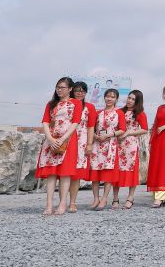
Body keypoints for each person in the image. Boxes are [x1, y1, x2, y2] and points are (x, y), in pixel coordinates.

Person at [37, 77, 83, 215]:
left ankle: (62, 204)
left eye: (62, 87)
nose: (59, 90)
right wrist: (50, 138)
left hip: (68, 140)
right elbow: (45, 122)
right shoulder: (51, 104)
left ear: (70, 89)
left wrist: (63, 138)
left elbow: (75, 122)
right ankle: (49, 205)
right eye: (58, 87)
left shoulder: (76, 103)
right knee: (51, 173)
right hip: (51, 140)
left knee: (65, 173)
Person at [89, 88, 125, 210]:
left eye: (112, 97)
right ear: (104, 97)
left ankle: (104, 199)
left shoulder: (119, 113)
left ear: (116, 99)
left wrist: (109, 135)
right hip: (97, 144)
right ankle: (95, 199)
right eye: (107, 96)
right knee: (95, 171)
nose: (109, 99)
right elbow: (91, 128)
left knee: (108, 172)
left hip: (110, 145)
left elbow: (122, 129)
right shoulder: (98, 113)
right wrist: (95, 136)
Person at [113, 89, 148, 209]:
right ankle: (115, 198)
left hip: (131, 144)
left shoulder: (139, 113)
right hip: (118, 143)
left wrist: (129, 133)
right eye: (129, 98)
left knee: (131, 170)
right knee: (116, 170)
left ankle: (130, 197)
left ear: (137, 101)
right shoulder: (119, 111)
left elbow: (144, 129)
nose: (130, 100)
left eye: (133, 99)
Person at [69, 81, 97, 212]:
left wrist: (90, 144)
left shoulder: (90, 107)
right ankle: (62, 200)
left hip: (81, 141)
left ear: (86, 93)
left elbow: (91, 127)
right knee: (63, 172)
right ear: (72, 91)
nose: (80, 93)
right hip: (66, 139)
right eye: (77, 90)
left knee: (76, 173)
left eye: (83, 91)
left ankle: (73, 202)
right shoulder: (66, 104)